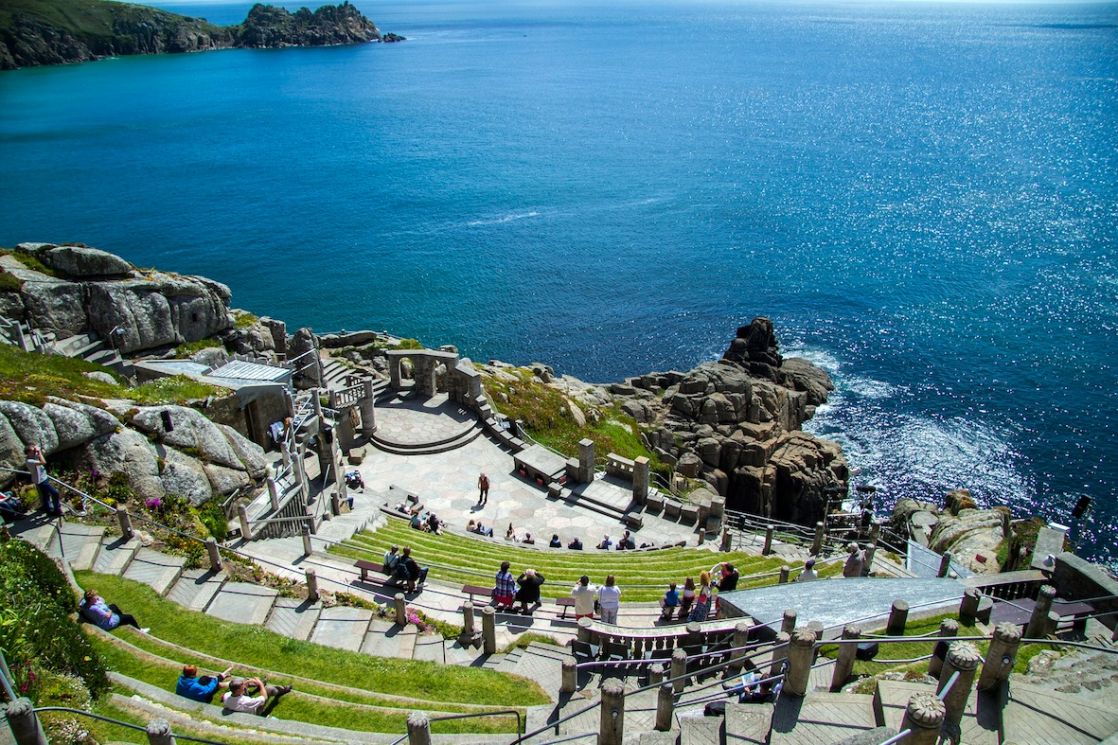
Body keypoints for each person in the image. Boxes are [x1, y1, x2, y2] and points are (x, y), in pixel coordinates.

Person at [79, 589, 146, 632]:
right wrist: (110, 610)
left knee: (113, 606)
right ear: (91, 599)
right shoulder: (94, 608)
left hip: (101, 620)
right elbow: (107, 615)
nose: (97, 597)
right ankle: (140, 630)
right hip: (108, 623)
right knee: (129, 617)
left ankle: (121, 617)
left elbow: (82, 603)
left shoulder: (86, 604)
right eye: (95, 597)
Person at [221, 676, 292, 715]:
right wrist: (260, 684)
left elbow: (224, 696)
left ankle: (258, 684)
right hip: (254, 712)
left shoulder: (227, 695)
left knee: (245, 680)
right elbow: (264, 698)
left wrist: (247, 682)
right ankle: (282, 691)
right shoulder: (246, 701)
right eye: (242, 687)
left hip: (239, 706)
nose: (244, 686)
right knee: (268, 689)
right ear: (237, 690)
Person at [25, 444, 61, 517]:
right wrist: (39, 452)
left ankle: (48, 510)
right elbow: (43, 462)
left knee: (45, 496)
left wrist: (36, 449)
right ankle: (57, 510)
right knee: (55, 493)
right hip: (41, 481)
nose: (35, 452)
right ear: (28, 453)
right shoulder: (29, 461)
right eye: (33, 451)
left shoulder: (33, 456)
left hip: (43, 478)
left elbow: (37, 453)